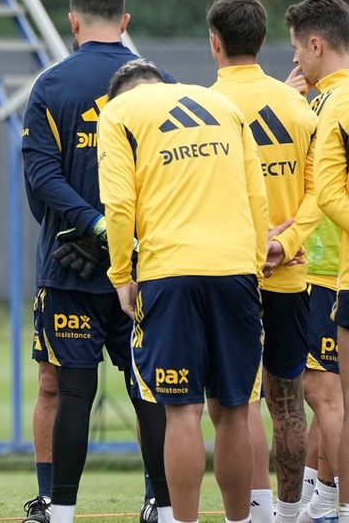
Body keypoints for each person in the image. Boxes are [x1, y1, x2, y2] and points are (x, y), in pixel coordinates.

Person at [20, 0, 172, 523]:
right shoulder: (163, 84)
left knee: (65, 388)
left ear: (73, 21)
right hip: (147, 269)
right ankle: (160, 502)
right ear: (125, 22)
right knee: (150, 389)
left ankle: (55, 505)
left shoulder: (51, 83)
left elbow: (42, 176)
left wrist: (93, 226)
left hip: (69, 268)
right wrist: (124, 236)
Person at [98, 59, 270, 523]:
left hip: (169, 271)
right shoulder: (224, 106)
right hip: (235, 269)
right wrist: (254, 268)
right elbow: (257, 197)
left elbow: (119, 205)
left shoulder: (117, 114)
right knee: (234, 411)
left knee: (182, 413)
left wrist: (121, 275)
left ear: (121, 94)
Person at [206, 0, 316, 523]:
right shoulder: (298, 106)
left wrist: (251, 246)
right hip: (290, 273)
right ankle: (291, 515)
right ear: (265, 40)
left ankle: (257, 512)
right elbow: (319, 193)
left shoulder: (202, 109)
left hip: (232, 272)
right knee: (288, 400)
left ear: (215, 43)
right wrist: (285, 244)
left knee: (240, 402)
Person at [295, 0, 349, 523]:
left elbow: (325, 193)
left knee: (324, 392)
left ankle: (333, 503)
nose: (296, 61)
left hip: (324, 264)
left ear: (316, 44)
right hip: (332, 263)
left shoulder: (328, 105)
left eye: (297, 50)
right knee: (326, 391)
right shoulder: (327, 98)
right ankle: (322, 495)